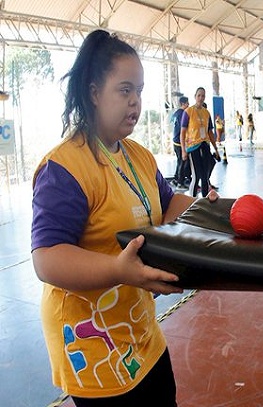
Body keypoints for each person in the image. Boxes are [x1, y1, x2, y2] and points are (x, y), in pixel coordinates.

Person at [31, 30, 220, 407]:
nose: (135, 102)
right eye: (124, 90)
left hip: (139, 328)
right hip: (92, 341)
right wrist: (119, 269)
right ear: (94, 92)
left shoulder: (138, 156)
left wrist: (205, 208)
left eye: (140, 91)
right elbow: (47, 257)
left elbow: (166, 205)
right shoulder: (65, 167)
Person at [180, 87, 220, 197]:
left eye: (203, 96)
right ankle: (192, 202)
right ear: (195, 96)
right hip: (193, 147)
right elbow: (182, 133)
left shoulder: (206, 113)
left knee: (205, 176)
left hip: (205, 146)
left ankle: (205, 203)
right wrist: (183, 150)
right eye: (199, 95)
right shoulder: (188, 112)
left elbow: (210, 132)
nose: (201, 98)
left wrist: (216, 149)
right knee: (196, 175)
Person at [171, 96, 190, 188]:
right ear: (184, 104)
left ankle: (176, 179)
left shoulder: (176, 113)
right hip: (179, 141)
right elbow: (183, 128)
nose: (188, 105)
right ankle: (180, 182)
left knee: (180, 161)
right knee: (182, 162)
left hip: (175, 140)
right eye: (187, 103)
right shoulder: (183, 114)